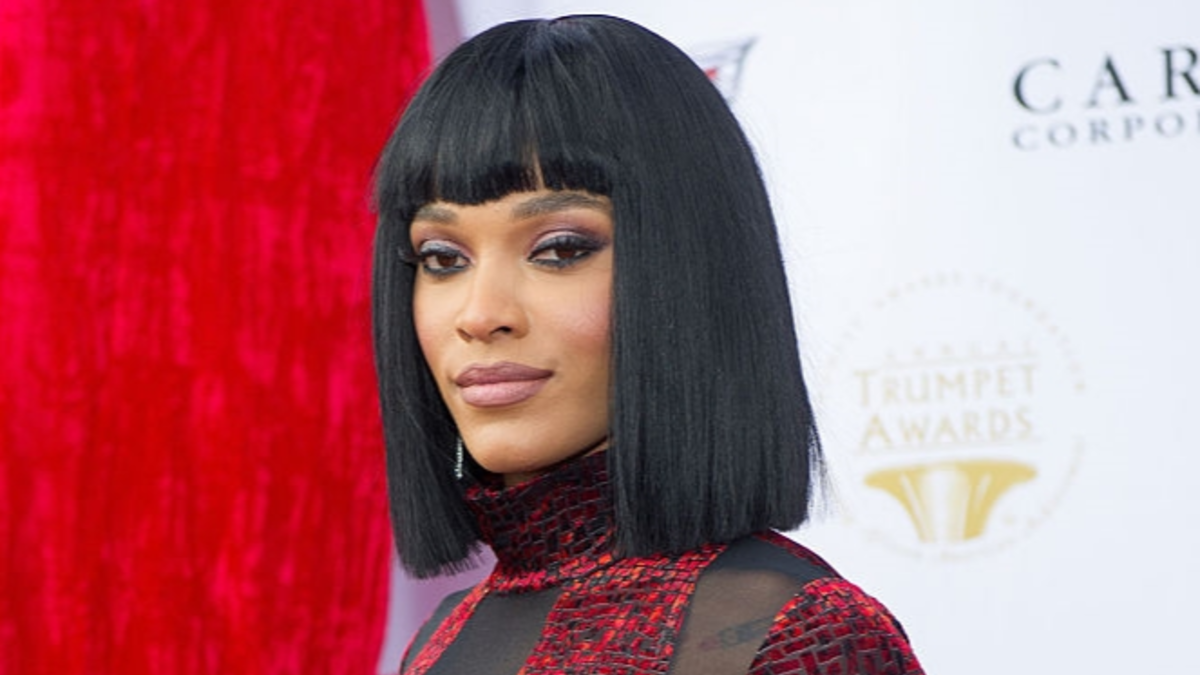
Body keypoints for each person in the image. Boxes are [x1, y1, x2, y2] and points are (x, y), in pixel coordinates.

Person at [372, 14, 924, 675]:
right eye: (442, 258)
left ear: (686, 270)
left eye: (559, 250)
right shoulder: (444, 634)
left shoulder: (798, 633)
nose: (480, 314)